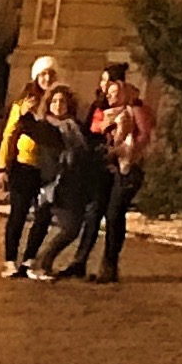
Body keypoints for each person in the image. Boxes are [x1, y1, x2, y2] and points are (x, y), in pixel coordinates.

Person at [28, 81, 115, 281]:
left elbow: (82, 151)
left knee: (72, 227)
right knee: (70, 227)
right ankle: (38, 263)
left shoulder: (73, 126)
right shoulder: (46, 126)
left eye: (62, 101)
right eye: (55, 101)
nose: (59, 105)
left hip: (74, 184)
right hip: (56, 184)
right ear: (48, 104)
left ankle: (42, 263)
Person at [76, 62, 152, 283]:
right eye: (105, 87)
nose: (106, 91)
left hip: (127, 168)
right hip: (109, 169)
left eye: (110, 86)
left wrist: (123, 151)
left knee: (114, 214)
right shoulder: (105, 109)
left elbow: (143, 135)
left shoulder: (132, 109)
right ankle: (93, 264)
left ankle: (109, 265)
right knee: (101, 213)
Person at [0, 59, 68, 274]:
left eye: (51, 75)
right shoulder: (24, 103)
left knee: (43, 215)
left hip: (47, 170)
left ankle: (29, 259)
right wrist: (2, 166)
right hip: (24, 165)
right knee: (18, 213)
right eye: (43, 74)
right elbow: (9, 136)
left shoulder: (57, 102)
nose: (47, 79)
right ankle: (10, 260)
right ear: (36, 76)